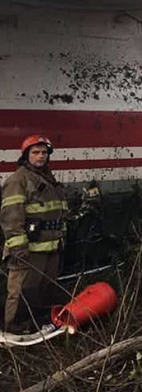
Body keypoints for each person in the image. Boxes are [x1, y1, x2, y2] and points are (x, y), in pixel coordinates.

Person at [2, 135, 69, 333]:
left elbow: (59, 212)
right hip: (28, 250)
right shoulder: (19, 180)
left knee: (45, 291)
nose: (40, 156)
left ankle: (38, 327)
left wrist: (61, 238)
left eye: (44, 152)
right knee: (22, 292)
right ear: (26, 155)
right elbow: (11, 218)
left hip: (51, 248)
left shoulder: (48, 178)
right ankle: (14, 331)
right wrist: (18, 248)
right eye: (35, 152)